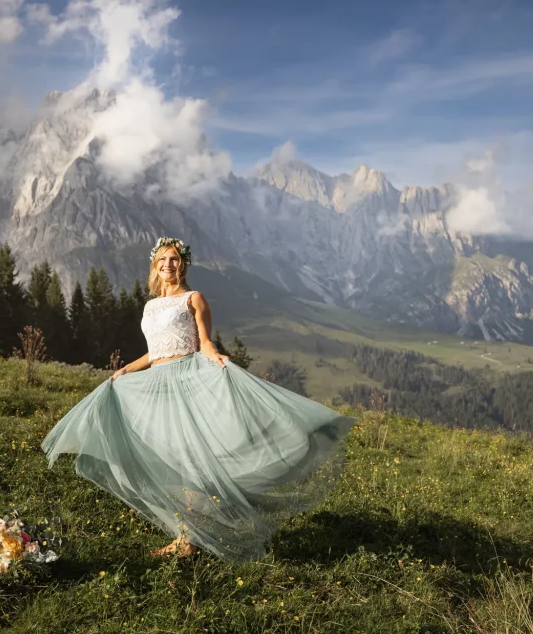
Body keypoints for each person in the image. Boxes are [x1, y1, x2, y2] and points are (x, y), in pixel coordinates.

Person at [41, 237, 356, 561]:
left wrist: (217, 357)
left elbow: (203, 341)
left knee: (190, 460)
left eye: (174, 259)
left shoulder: (193, 298)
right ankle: (187, 536)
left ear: (183, 264)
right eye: (163, 259)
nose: (168, 264)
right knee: (170, 458)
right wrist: (125, 370)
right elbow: (155, 351)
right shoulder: (150, 305)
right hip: (156, 384)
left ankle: (189, 539)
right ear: (155, 266)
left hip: (186, 379)